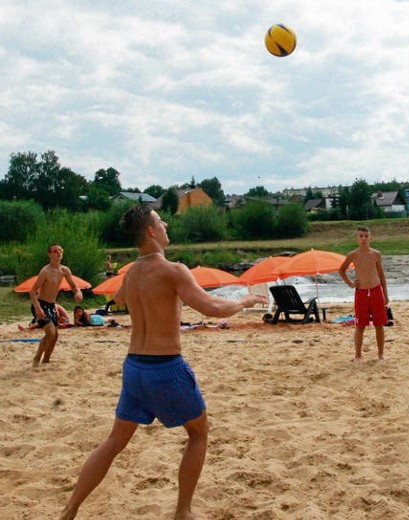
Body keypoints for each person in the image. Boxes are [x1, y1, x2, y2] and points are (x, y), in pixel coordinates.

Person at [59, 206, 268, 520]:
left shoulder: (131, 273)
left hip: (134, 368)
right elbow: (211, 307)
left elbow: (118, 299)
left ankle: (69, 509)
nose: (166, 222)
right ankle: (183, 511)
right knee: (199, 433)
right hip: (165, 368)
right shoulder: (174, 270)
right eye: (160, 220)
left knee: (114, 441)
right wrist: (244, 301)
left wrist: (117, 293)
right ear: (150, 231)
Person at [338, 226, 389, 362]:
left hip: (376, 290)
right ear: (357, 239)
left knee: (379, 324)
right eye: (361, 236)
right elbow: (341, 270)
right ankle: (358, 355)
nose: (364, 238)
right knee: (360, 325)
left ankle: (381, 354)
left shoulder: (376, 254)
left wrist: (386, 294)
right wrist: (350, 283)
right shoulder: (353, 255)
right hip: (361, 292)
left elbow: (381, 275)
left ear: (370, 238)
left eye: (366, 236)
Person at [29, 244, 83, 366]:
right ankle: (37, 359)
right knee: (51, 333)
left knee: (55, 335)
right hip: (40, 304)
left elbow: (74, 286)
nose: (58, 253)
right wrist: (37, 308)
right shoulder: (45, 271)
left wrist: (78, 292)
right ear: (50, 254)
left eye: (60, 251)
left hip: (51, 305)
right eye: (55, 251)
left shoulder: (65, 270)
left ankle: (46, 360)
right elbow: (32, 291)